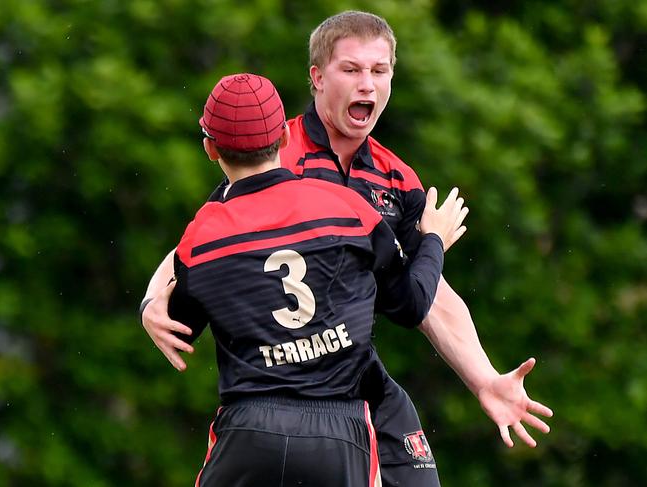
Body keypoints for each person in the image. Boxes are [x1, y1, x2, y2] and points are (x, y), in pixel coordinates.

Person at [141, 11, 553, 487]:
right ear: (317, 77)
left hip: (355, 377)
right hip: (286, 387)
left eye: (379, 72)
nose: (368, 85)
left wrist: (484, 378)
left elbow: (429, 294)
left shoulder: (397, 181)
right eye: (352, 70)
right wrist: (153, 301)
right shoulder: (273, 152)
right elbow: (197, 245)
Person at [167, 72, 468, 487]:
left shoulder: (203, 234)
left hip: (248, 430)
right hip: (340, 433)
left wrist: (150, 307)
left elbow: (179, 324)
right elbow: (411, 303)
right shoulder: (346, 206)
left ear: (210, 148)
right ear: (285, 140)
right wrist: (433, 239)